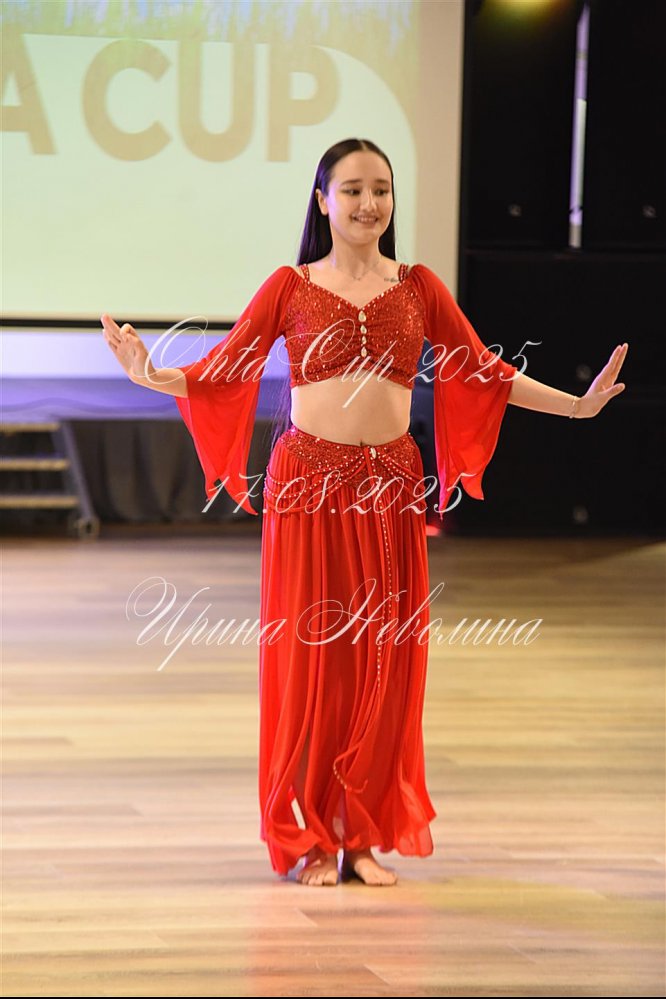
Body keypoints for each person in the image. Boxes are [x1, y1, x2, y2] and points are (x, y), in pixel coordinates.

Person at [101, 137, 628, 887]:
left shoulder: (418, 287)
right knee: (314, 661)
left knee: (385, 660)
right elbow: (222, 372)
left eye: (380, 188)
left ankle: (360, 835)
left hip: (390, 488)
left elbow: (484, 372)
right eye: (351, 190)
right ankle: (311, 836)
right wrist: (150, 375)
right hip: (307, 486)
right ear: (322, 201)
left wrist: (576, 407)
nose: (368, 203)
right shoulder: (289, 286)